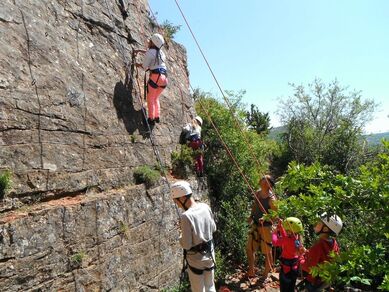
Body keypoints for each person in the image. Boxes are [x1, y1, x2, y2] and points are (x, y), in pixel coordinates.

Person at [171, 180, 217, 292]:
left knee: (198, 290)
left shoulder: (186, 216)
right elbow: (214, 228)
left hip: (196, 259)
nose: (176, 204)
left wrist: (180, 235)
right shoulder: (205, 207)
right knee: (210, 286)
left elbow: (186, 244)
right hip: (210, 254)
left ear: (182, 198)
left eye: (176, 201)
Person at [246, 175, 277, 282]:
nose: (262, 178)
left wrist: (266, 218)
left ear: (268, 184)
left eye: (265, 178)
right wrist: (251, 216)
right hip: (255, 224)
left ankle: (265, 274)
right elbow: (255, 206)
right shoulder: (258, 193)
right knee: (249, 248)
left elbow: (275, 215)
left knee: (266, 251)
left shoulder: (272, 199)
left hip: (266, 227)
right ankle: (251, 270)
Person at [301, 212, 343, 291]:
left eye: (319, 223)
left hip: (314, 282)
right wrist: (306, 252)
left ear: (325, 229)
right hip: (325, 281)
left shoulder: (318, 245)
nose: (315, 224)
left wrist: (300, 257)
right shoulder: (334, 242)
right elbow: (325, 258)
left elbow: (309, 268)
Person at [135, 33, 168, 125]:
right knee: (156, 98)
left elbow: (145, 66)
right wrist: (140, 50)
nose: (149, 42)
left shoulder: (150, 52)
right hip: (164, 78)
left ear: (153, 43)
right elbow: (153, 55)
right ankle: (157, 116)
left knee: (150, 98)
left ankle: (151, 119)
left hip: (156, 77)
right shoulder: (161, 53)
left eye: (150, 41)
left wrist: (136, 64)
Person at [272, 217, 305, 292]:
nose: (286, 231)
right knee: (291, 286)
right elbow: (285, 236)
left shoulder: (287, 240)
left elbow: (275, 242)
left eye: (287, 230)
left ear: (290, 231)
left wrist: (274, 233)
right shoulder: (296, 238)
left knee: (284, 287)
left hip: (286, 268)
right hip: (294, 267)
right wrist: (280, 226)